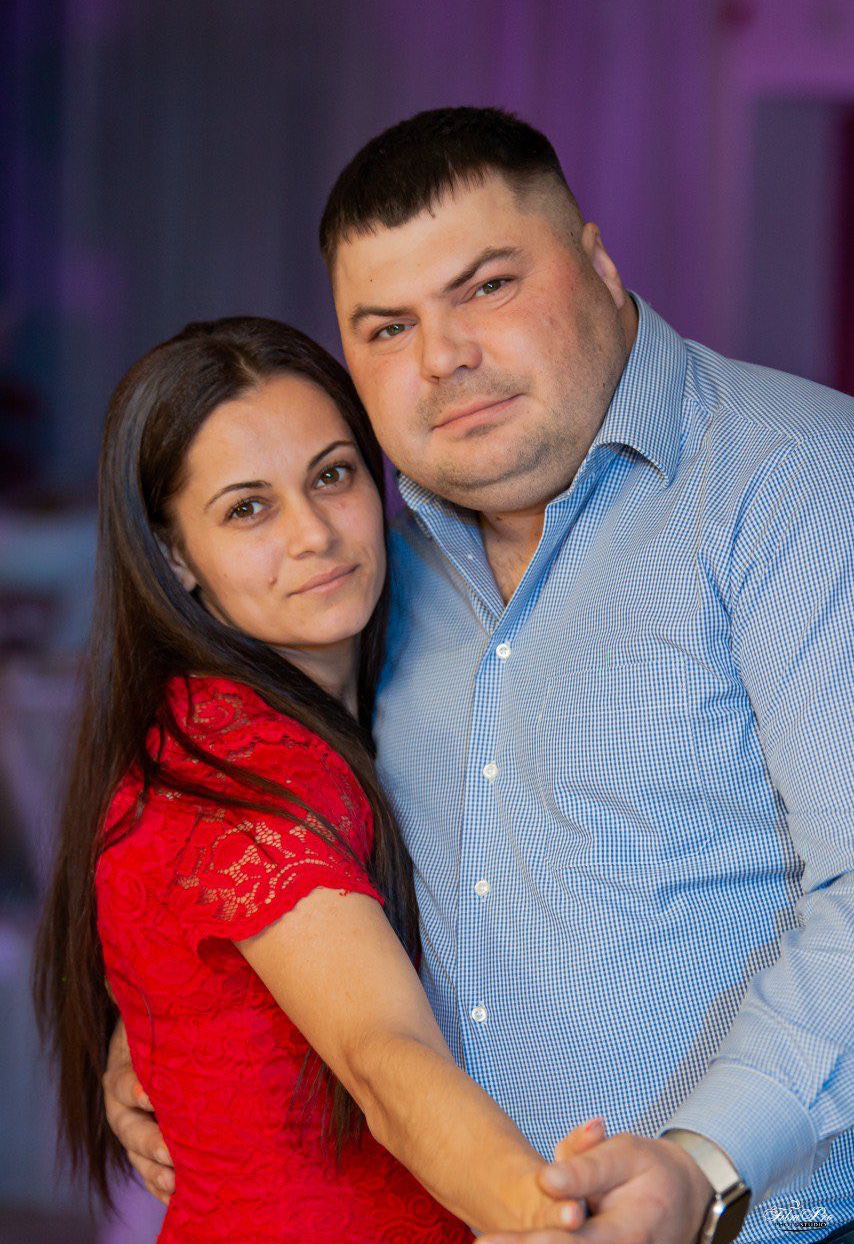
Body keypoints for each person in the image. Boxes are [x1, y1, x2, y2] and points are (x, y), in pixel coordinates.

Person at [104, 108, 853, 1244]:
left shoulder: (794, 480)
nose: (442, 357)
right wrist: (176, 1027)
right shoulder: (371, 563)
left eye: (488, 286)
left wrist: (701, 1166)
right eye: (387, 326)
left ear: (597, 262)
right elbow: (276, 854)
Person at [34, 316, 606, 1243]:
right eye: (247, 510)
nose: (314, 536)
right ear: (174, 555)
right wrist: (553, 1217)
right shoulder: (248, 767)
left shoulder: (223, 715)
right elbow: (383, 1054)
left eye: (332, 476)